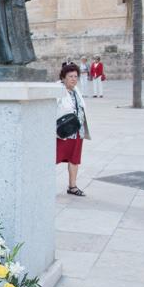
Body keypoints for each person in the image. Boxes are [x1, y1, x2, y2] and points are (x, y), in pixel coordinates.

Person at [56, 63, 90, 197]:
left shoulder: (76, 91)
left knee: (74, 159)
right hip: (62, 133)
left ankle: (72, 186)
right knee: (52, 158)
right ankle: (43, 185)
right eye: (70, 76)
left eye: (76, 76)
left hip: (76, 132)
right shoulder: (57, 90)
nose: (74, 79)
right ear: (63, 78)